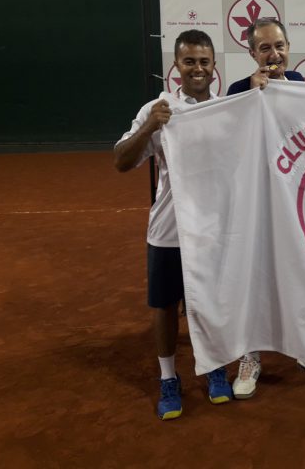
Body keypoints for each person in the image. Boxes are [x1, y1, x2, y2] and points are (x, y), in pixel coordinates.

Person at [114, 29, 233, 420]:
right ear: (177, 67)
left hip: (215, 231)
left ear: (214, 66)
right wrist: (149, 126)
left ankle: (214, 366)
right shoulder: (158, 108)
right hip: (169, 229)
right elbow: (121, 161)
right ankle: (168, 377)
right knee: (165, 306)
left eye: (204, 61)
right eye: (189, 61)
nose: (197, 68)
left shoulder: (229, 111)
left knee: (210, 302)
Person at [227, 17, 305, 398]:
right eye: (265, 49)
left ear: (289, 47)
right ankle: (250, 355)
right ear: (252, 53)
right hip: (256, 204)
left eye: (279, 46)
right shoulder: (238, 89)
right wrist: (251, 99)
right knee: (253, 279)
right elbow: (231, 146)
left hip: (298, 202)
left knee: (303, 273)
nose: (274, 55)